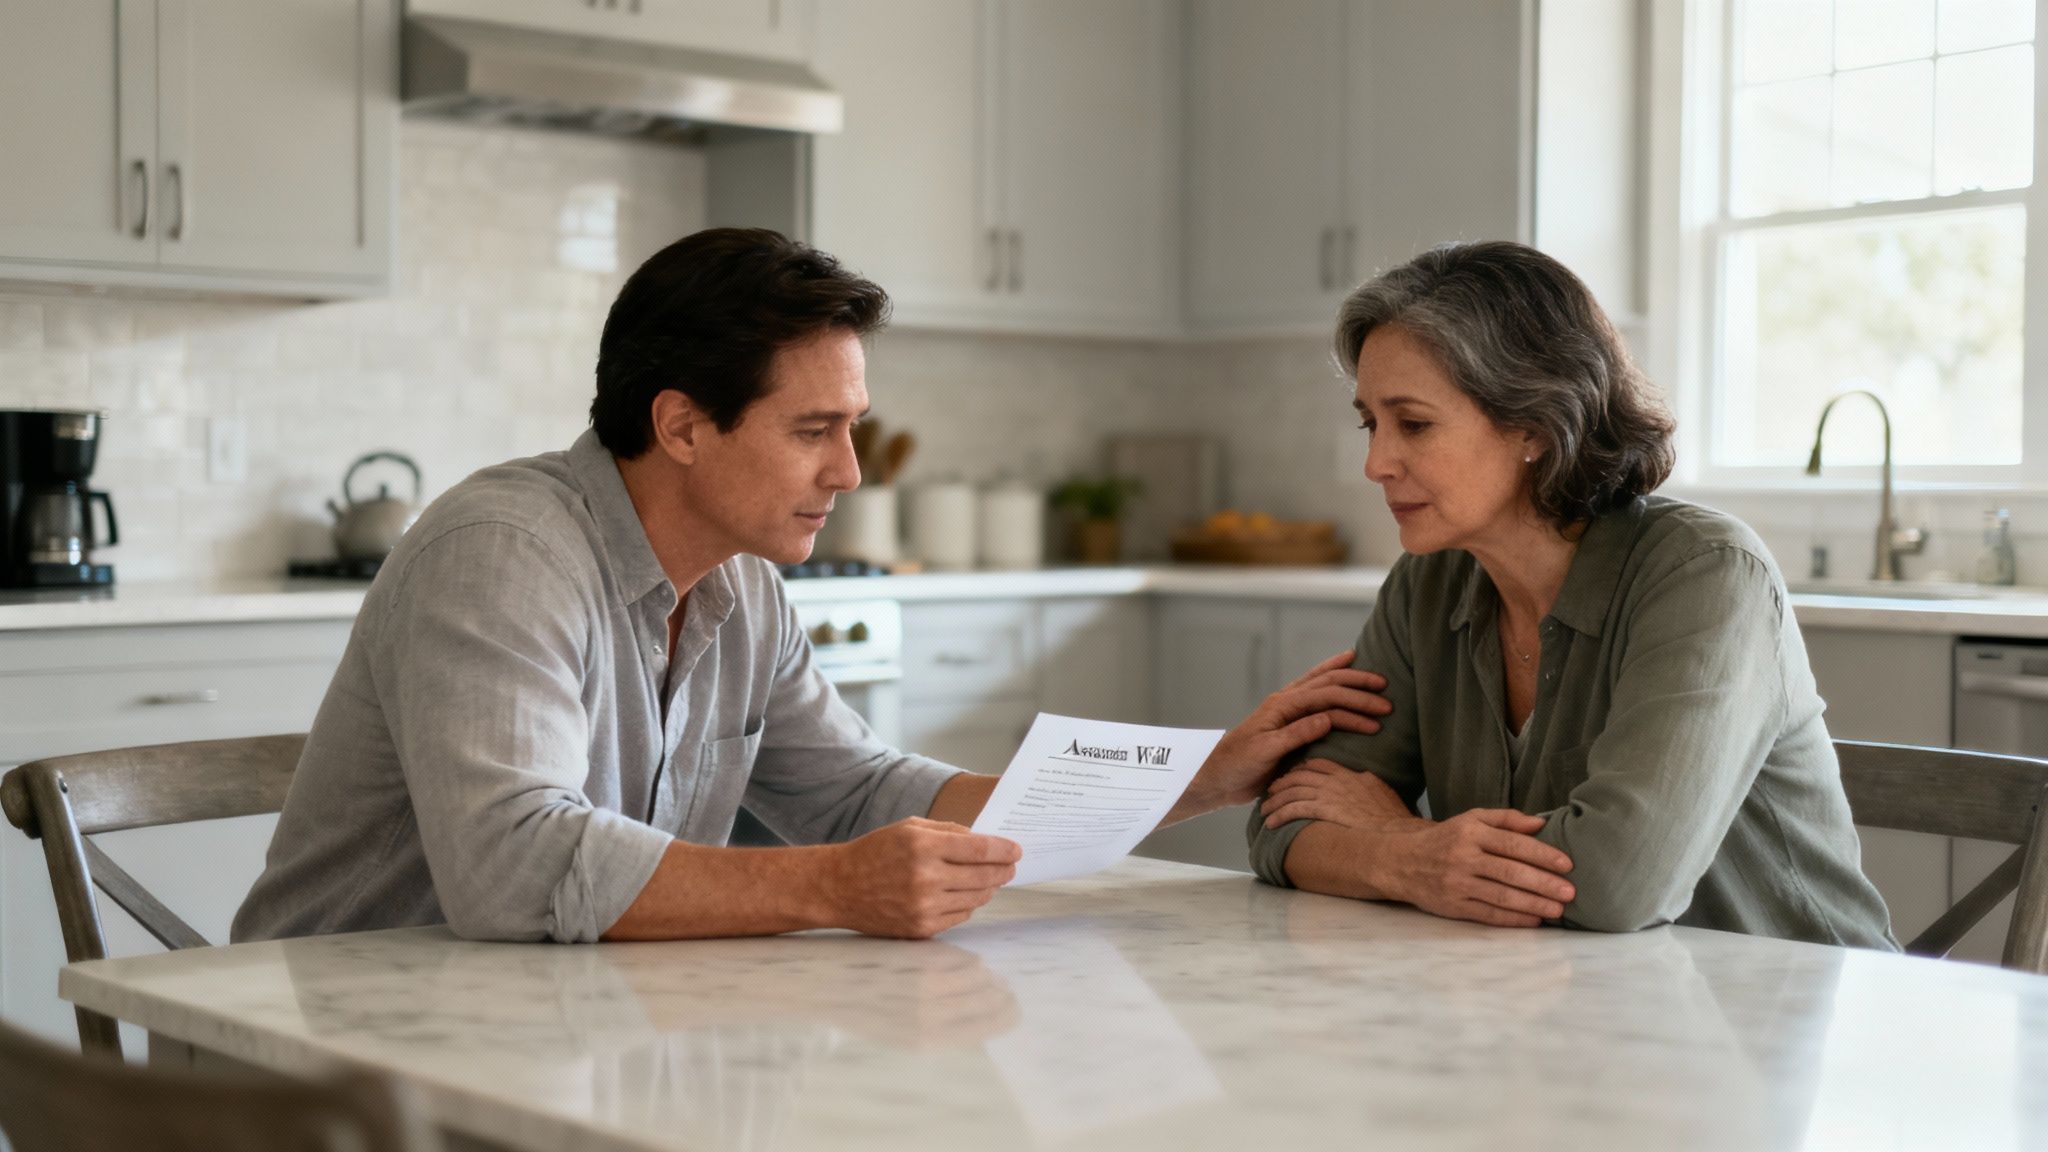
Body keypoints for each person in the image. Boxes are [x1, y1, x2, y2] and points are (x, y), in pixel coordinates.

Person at [234, 228, 1390, 946]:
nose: (845, 471)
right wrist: (833, 888)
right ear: (681, 426)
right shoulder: (501, 553)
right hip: (323, 1065)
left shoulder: (742, 585)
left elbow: (856, 794)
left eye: (852, 429)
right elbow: (513, 869)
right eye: (812, 431)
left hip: (546, 1023)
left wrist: (1198, 777)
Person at [1248, 240, 1896, 948]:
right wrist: (1409, 858)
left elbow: (1617, 883)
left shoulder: (1705, 574)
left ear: (1532, 421)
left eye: (1415, 424)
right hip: (1574, 1008)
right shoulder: (1428, 583)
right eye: (1372, 423)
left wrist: (1389, 834)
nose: (1376, 463)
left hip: (1792, 1022)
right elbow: (1282, 823)